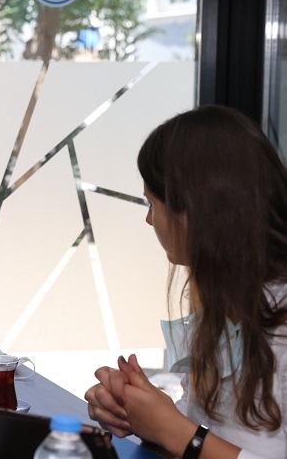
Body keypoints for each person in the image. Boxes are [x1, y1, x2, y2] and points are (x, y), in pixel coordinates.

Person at [84, 105, 287, 458]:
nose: (149, 220)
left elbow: (192, 438)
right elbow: (208, 431)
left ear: (194, 213)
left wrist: (170, 428)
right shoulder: (226, 302)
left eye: (152, 204)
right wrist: (142, 411)